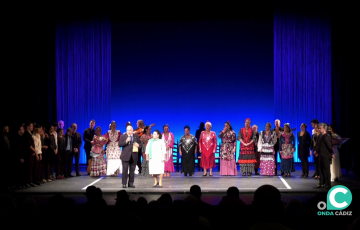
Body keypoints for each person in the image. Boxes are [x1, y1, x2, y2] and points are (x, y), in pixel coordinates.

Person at [313, 123, 334, 189]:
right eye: (319, 128)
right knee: (321, 170)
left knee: (327, 170)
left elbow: (329, 146)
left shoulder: (327, 136)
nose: (319, 129)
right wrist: (317, 151)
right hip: (321, 155)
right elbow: (318, 145)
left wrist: (332, 153)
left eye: (320, 128)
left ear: (324, 128)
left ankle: (328, 184)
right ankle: (321, 183)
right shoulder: (321, 136)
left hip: (326, 155)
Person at [23, 122, 37, 187]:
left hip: (31, 153)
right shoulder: (26, 134)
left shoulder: (30, 133)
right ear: (27, 126)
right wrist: (34, 150)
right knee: (28, 168)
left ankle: (30, 181)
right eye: (31, 126)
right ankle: (27, 182)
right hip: (28, 153)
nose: (32, 127)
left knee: (31, 168)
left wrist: (34, 151)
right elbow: (28, 144)